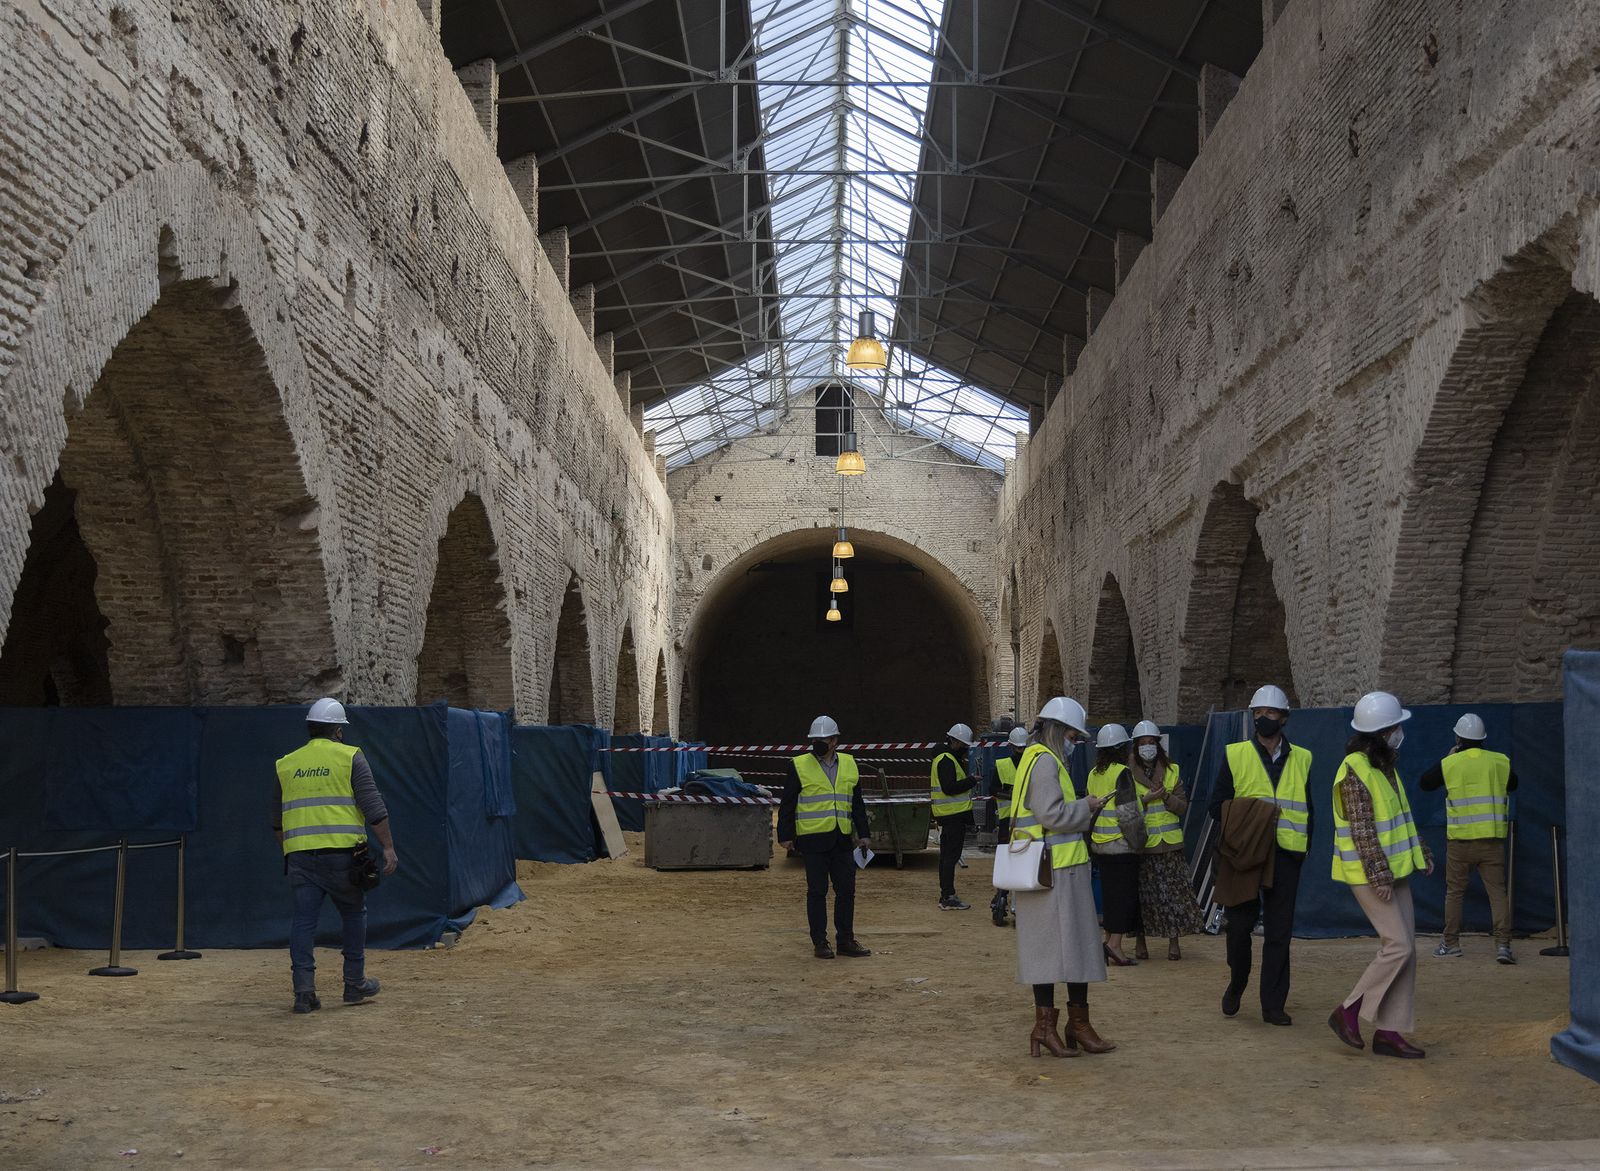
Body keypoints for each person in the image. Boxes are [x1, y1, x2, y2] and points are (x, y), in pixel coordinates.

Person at [273, 697, 399, 1015]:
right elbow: (373, 807)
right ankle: (354, 984)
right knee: (354, 915)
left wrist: (291, 849)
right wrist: (387, 847)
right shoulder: (350, 758)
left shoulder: (286, 763)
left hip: (301, 858)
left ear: (310, 729)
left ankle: (304, 993)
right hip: (343, 857)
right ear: (338, 731)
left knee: (303, 922)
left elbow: (277, 819)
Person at [1328, 691, 1433, 1059]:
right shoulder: (1355, 770)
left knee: (1408, 951)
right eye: (1395, 727)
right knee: (1398, 945)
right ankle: (1349, 1010)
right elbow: (1362, 829)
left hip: (1396, 869)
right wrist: (1378, 874)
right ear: (1380, 732)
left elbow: (1401, 816)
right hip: (1370, 874)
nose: (1399, 732)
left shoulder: (1384, 765)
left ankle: (1390, 1032)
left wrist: (1420, 851)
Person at [1011, 697, 1116, 1057]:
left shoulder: (1031, 758)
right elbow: (1051, 814)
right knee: (1076, 948)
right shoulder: (1045, 763)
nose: (1075, 741)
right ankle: (1072, 1026)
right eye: (1073, 734)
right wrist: (1086, 807)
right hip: (1057, 871)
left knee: (1048, 952)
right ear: (1058, 730)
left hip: (1041, 869)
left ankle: (1050, 1028)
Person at [1208, 684, 1312, 1026]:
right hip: (1246, 854)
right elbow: (1215, 807)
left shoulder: (1303, 758)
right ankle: (1237, 983)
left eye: (1269, 713)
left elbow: (1309, 808)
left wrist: (1304, 846)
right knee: (1239, 929)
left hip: (1286, 853)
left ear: (1284, 718)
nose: (1263, 719)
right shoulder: (1236, 754)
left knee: (1280, 933)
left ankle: (1273, 1005)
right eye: (1257, 713)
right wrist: (1257, 815)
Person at [1421, 713, 1517, 963]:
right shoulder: (1499, 762)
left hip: (1460, 842)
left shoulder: (1451, 762)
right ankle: (1503, 946)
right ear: (1483, 738)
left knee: (1454, 893)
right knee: (1498, 893)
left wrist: (1450, 757)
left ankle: (1451, 943)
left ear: (1458, 737)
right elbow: (1514, 784)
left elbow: (1426, 783)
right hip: (1492, 842)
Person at [777, 715, 873, 959]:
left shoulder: (850, 764)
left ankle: (846, 941)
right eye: (814, 740)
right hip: (813, 840)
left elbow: (857, 803)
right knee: (817, 892)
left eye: (823, 739)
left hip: (842, 839)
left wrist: (864, 834)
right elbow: (787, 803)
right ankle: (820, 942)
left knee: (846, 892)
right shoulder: (798, 765)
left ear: (834, 741)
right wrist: (785, 834)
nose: (818, 743)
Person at [1129, 720, 1203, 961]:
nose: (1147, 747)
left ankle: (1174, 942)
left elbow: (1182, 807)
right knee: (1142, 897)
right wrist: (1147, 799)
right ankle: (1141, 942)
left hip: (1170, 845)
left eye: (1151, 743)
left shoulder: (1173, 771)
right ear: (1136, 746)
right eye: (1143, 743)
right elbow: (1125, 810)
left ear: (1158, 745)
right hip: (1143, 845)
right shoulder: (1127, 774)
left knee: (1173, 896)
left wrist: (1167, 796)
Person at [1086, 723, 1141, 966]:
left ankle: (1108, 939)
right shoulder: (1122, 773)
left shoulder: (1094, 774)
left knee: (1109, 896)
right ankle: (1115, 946)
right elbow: (1128, 813)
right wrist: (1139, 841)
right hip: (1121, 846)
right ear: (1122, 748)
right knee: (1123, 897)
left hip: (1100, 845)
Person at [931, 723, 978, 909]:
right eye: (964, 745)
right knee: (950, 857)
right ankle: (948, 896)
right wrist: (971, 781)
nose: (965, 749)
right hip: (952, 816)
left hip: (949, 816)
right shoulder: (946, 760)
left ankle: (946, 894)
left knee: (947, 857)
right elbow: (949, 788)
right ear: (956, 741)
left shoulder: (944, 757)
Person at [990, 725, 1030, 927]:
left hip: (1024, 821)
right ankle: (1002, 896)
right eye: (1019, 748)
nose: (1021, 752)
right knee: (1008, 859)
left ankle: (1008, 897)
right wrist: (1011, 793)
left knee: (1020, 859)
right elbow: (993, 789)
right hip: (1010, 820)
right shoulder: (1003, 765)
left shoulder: (1032, 764)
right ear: (1012, 747)